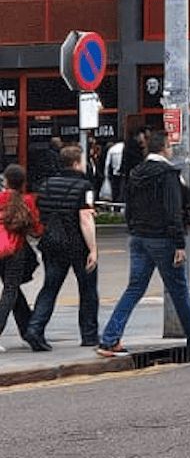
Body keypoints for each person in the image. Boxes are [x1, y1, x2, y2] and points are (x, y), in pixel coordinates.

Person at [95, 129, 190, 360]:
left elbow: (129, 208)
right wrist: (179, 243)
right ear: (165, 147)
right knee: (179, 291)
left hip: (138, 238)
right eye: (170, 146)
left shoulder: (136, 172)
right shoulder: (168, 174)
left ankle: (109, 339)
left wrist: (134, 230)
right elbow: (172, 210)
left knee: (134, 288)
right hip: (162, 238)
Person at [25, 144, 100, 350]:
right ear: (77, 163)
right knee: (87, 290)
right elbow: (85, 218)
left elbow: (41, 213)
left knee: (50, 287)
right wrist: (92, 249)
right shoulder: (84, 187)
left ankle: (35, 328)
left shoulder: (46, 185)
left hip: (53, 242)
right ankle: (89, 334)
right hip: (77, 243)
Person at [0, 164, 45, 350]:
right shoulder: (26, 201)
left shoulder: (1, 198)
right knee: (10, 290)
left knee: (12, 290)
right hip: (15, 249)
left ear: (6, 181)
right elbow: (36, 230)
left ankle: (27, 329)